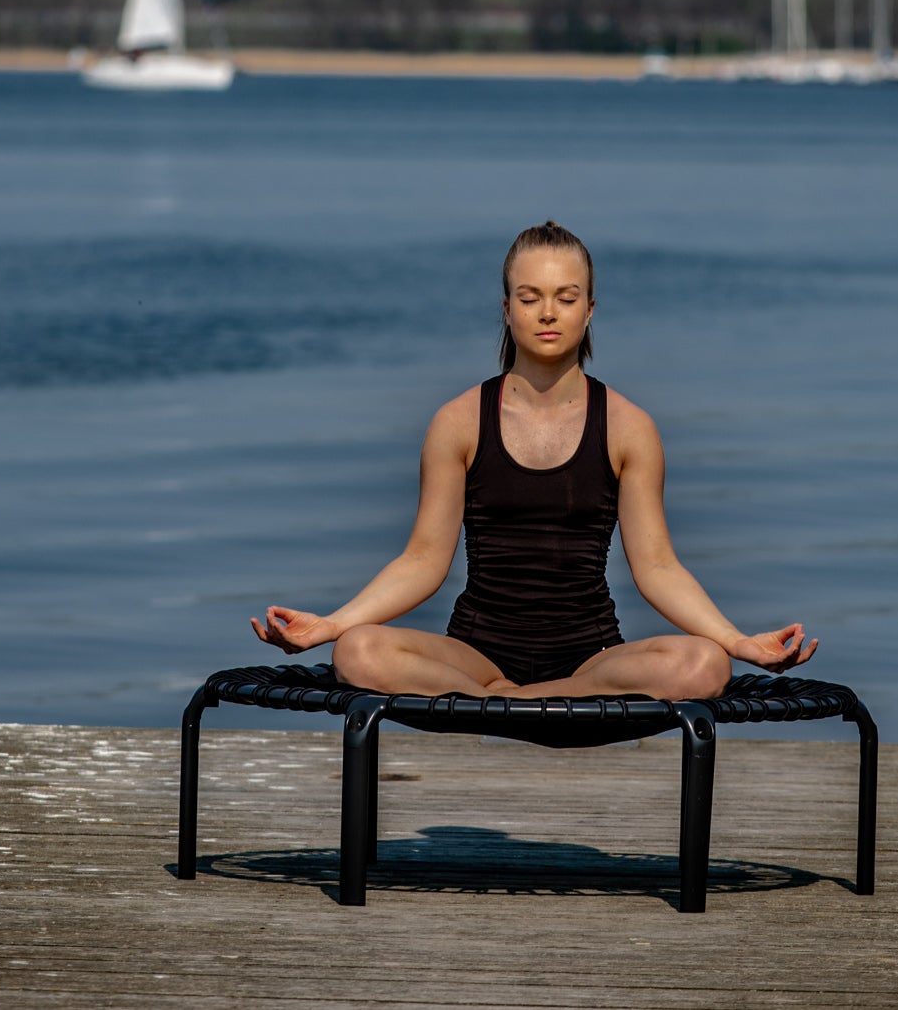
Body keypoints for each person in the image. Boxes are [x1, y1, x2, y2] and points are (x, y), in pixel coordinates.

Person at [249, 220, 817, 700]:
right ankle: (501, 698)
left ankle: (517, 704)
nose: (549, 313)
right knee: (359, 651)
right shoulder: (458, 422)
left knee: (705, 666)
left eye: (566, 298)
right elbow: (423, 559)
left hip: (590, 662)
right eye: (530, 298)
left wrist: (736, 641)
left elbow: (659, 568)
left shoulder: (629, 428)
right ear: (507, 309)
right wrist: (332, 624)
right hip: (474, 657)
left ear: (590, 310)